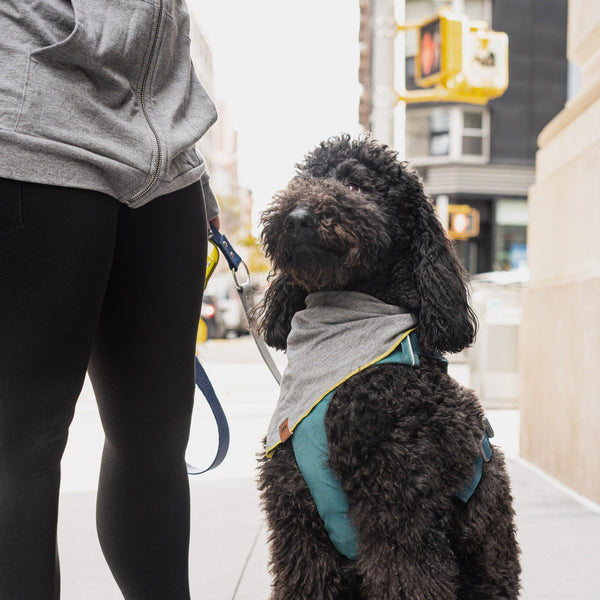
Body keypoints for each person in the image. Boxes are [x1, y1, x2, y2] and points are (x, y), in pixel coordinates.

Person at [0, 2, 221, 598]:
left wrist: (194, 167)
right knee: (26, 438)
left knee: (156, 438)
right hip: (33, 125)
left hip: (166, 156)